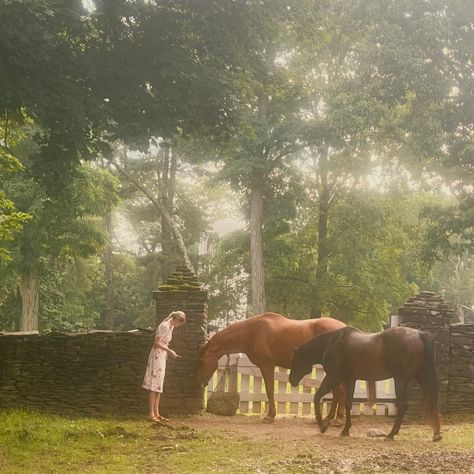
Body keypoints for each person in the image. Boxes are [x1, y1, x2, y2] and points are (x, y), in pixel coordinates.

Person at [142, 310, 186, 422]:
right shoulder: (164, 326)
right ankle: (151, 414)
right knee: (153, 383)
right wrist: (169, 350)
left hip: (162, 355)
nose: (179, 326)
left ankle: (157, 413)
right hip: (157, 355)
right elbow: (156, 343)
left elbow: (164, 342)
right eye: (180, 323)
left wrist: (168, 352)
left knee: (158, 384)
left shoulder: (171, 327)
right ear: (176, 319)